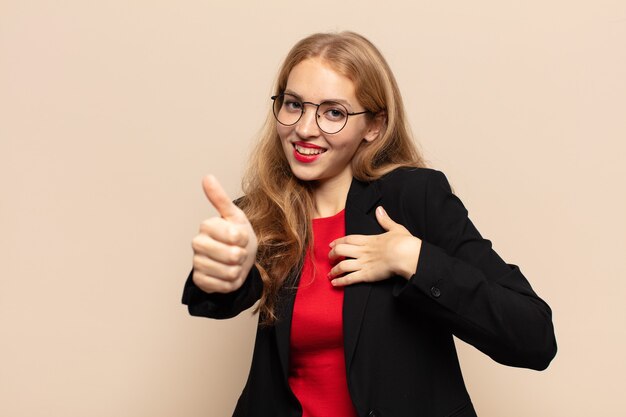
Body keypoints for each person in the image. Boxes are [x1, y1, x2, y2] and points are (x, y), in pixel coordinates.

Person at [182, 31, 557, 417]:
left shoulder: (414, 198)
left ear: (374, 126)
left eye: (333, 112)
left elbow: (534, 336)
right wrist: (220, 275)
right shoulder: (262, 213)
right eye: (294, 104)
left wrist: (412, 258)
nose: (305, 129)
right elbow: (216, 298)